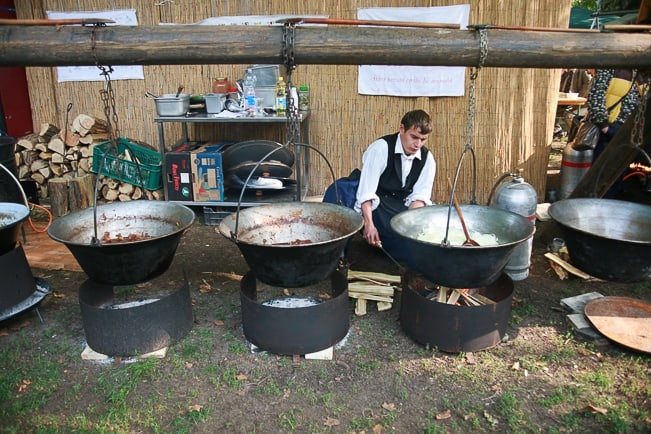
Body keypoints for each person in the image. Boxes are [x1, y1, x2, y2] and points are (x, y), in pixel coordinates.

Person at [354, 109, 436, 265]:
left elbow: (419, 198)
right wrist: (369, 225)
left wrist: (410, 229)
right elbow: (366, 192)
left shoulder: (427, 159)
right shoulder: (380, 149)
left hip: (398, 204)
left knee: (417, 238)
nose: (418, 144)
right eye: (414, 137)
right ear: (402, 129)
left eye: (423, 139)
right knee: (387, 234)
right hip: (375, 202)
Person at [586, 68, 647, 198]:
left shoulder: (644, 74)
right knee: (603, 176)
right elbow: (596, 95)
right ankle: (598, 206)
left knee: (624, 176)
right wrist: (604, 126)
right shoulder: (611, 69)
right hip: (613, 128)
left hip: (634, 131)